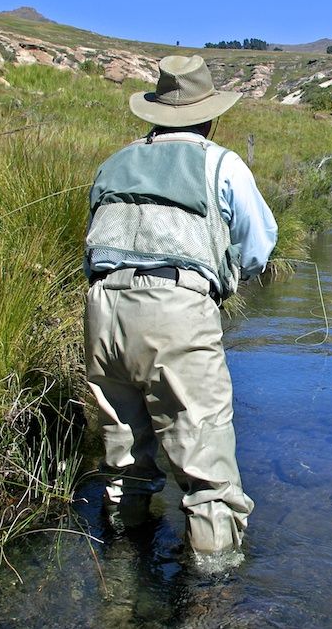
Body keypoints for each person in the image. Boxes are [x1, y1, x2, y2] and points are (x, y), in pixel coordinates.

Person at [83, 55, 277, 560]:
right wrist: (229, 278)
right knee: (205, 469)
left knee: (123, 459)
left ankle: (122, 579)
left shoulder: (113, 161)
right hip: (176, 311)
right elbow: (258, 245)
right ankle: (213, 593)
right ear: (209, 115)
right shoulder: (222, 163)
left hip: (102, 310)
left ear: (154, 113)